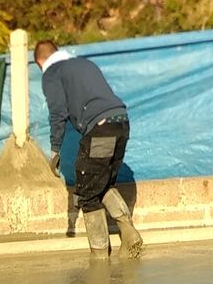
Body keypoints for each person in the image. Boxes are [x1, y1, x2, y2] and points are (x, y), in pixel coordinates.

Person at [36, 39, 142, 256]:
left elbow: (58, 112)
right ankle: (129, 234)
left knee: (86, 193)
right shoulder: (85, 64)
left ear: (40, 61)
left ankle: (100, 256)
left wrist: (55, 148)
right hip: (121, 124)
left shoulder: (52, 72)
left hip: (101, 130)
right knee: (100, 183)